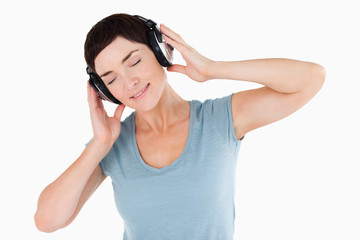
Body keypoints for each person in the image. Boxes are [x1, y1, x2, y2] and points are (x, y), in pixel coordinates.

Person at [34, 13, 326, 239]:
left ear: (161, 51)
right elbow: (47, 221)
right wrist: (98, 144)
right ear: (104, 92)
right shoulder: (110, 146)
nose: (128, 82)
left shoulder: (220, 118)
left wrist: (213, 69)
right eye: (111, 80)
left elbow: (311, 78)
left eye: (133, 62)